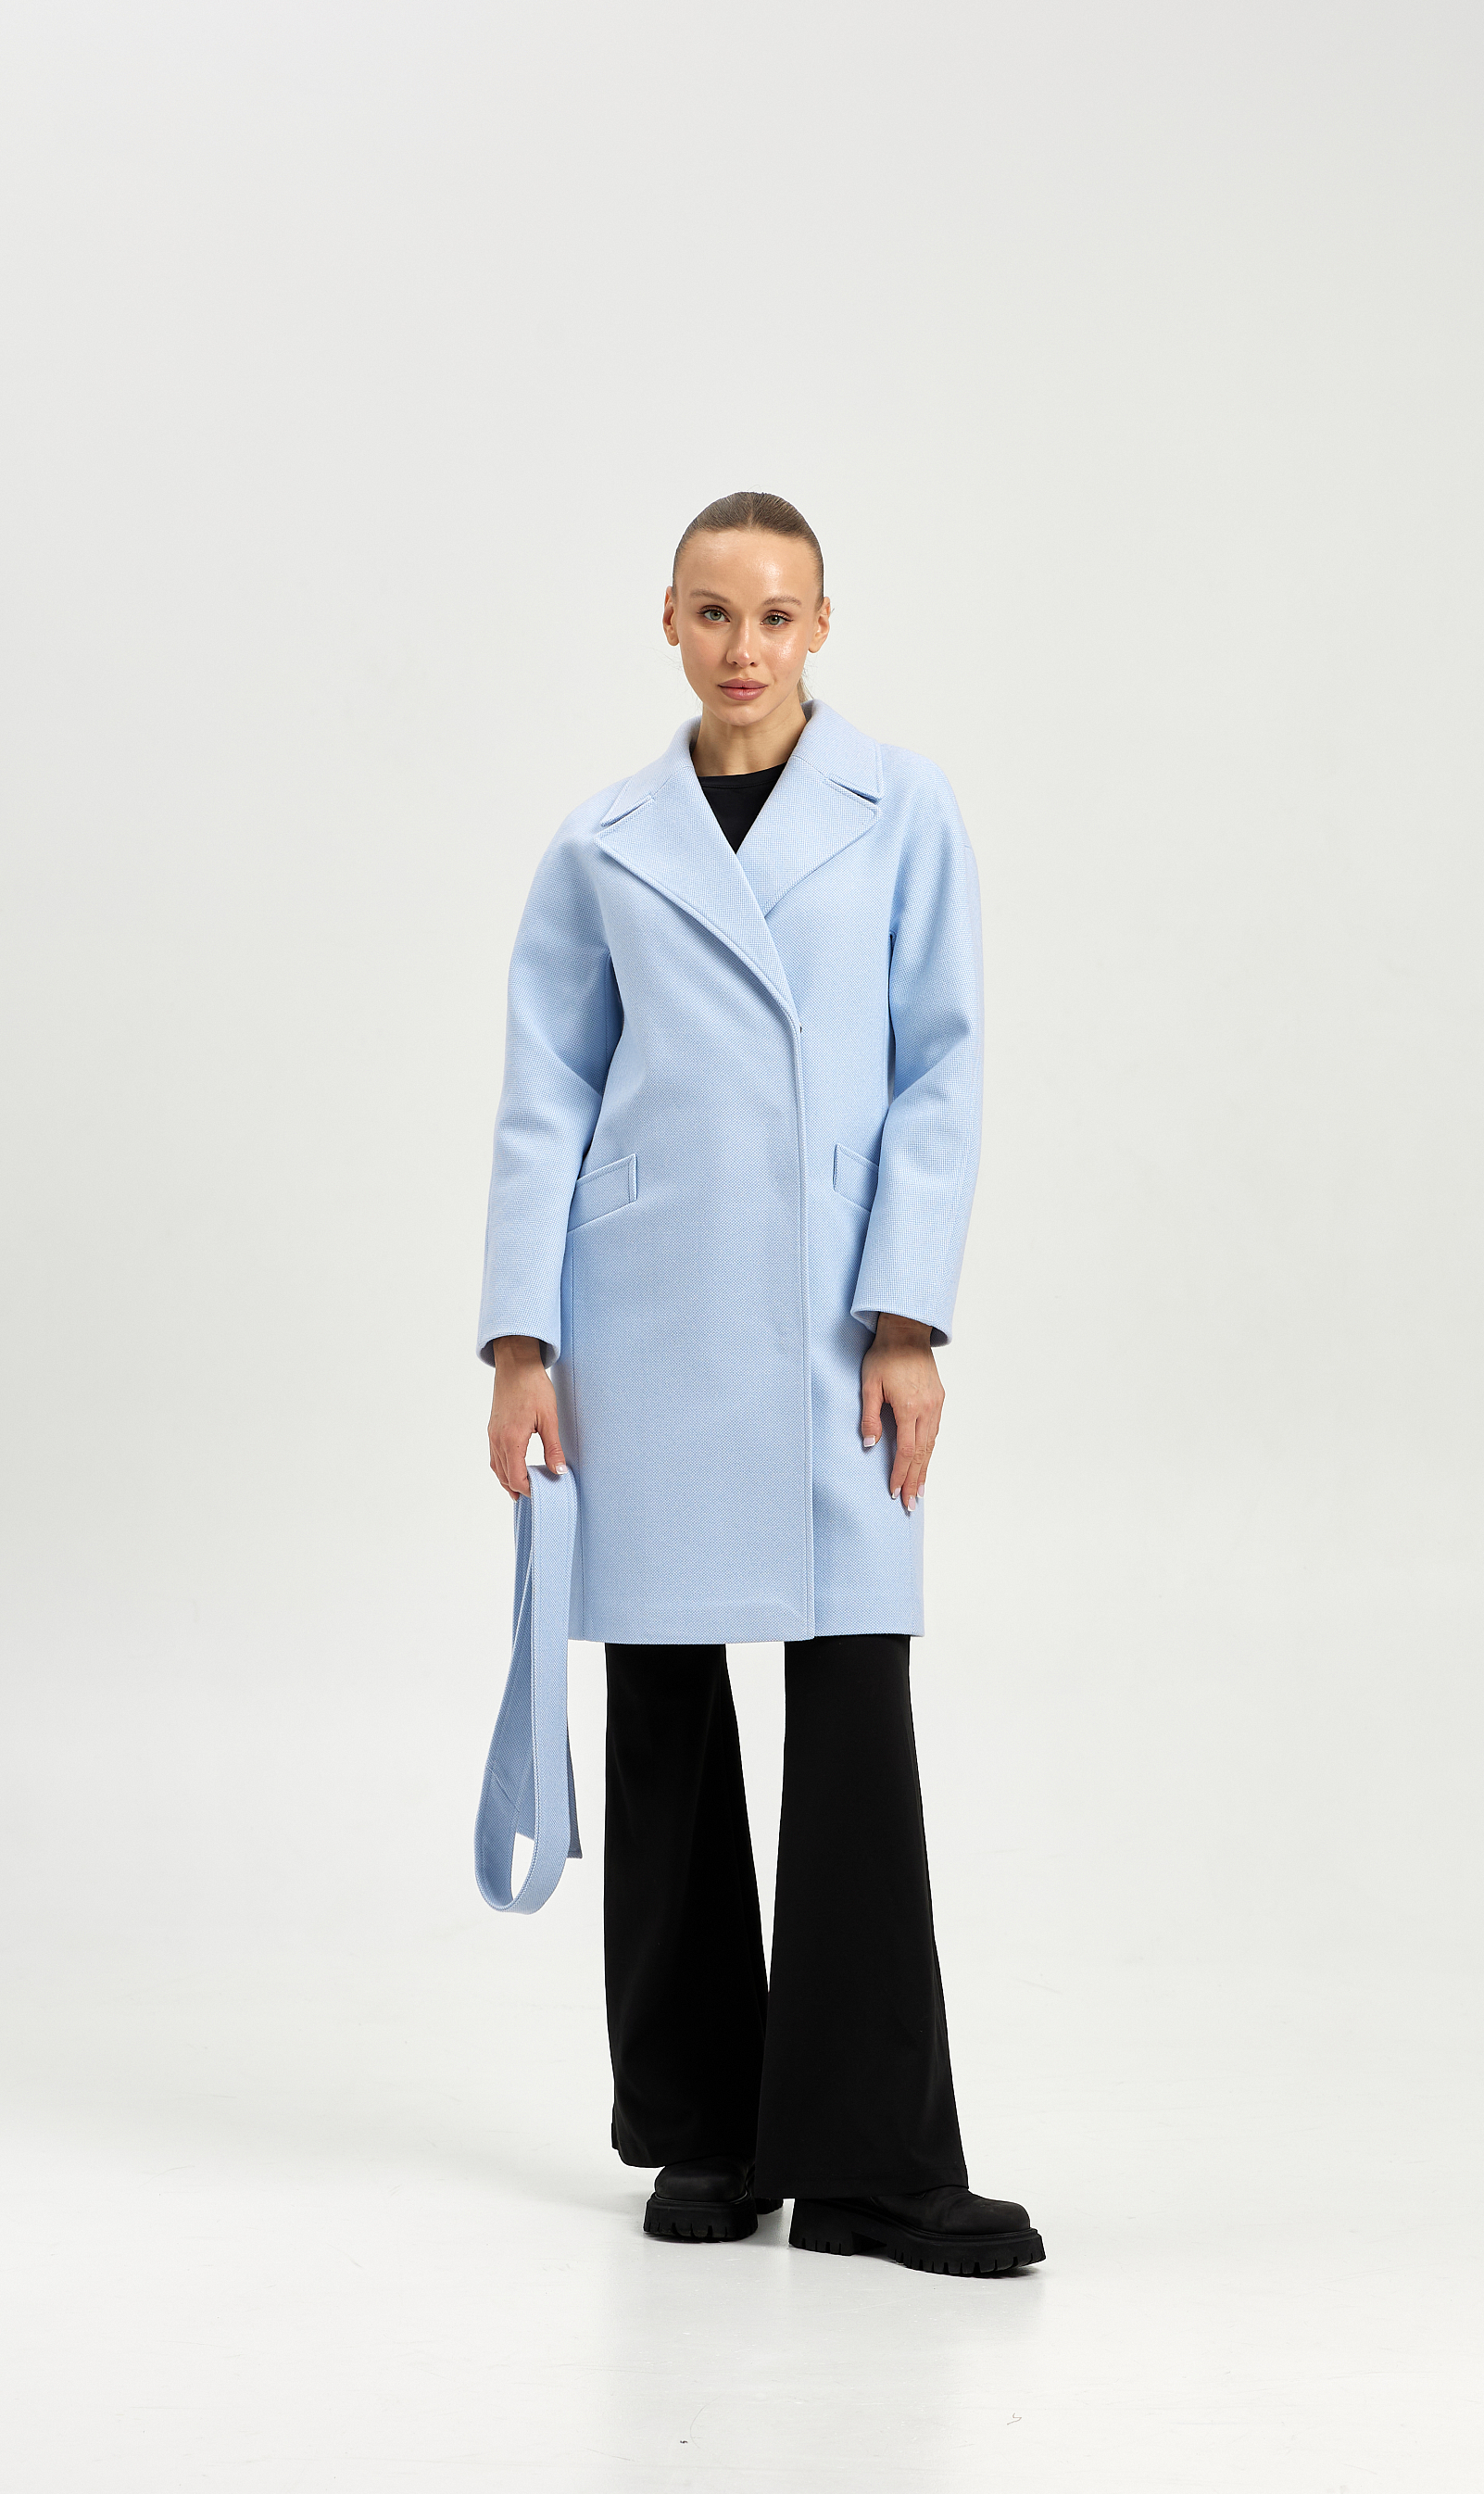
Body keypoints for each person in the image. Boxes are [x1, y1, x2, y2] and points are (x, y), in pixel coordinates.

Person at [478, 491, 1043, 2277]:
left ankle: (872, 2164)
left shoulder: (901, 807)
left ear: (822, 627)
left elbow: (943, 1066)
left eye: (777, 615)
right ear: (667, 621)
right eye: (714, 613)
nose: (745, 648)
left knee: (854, 1704)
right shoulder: (603, 840)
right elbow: (546, 1091)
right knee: (664, 1713)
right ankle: (704, 2133)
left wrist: (906, 1317)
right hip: (641, 1313)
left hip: (830, 1320)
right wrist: (520, 1344)